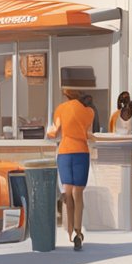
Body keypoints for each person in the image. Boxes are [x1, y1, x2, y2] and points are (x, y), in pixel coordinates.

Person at [46, 88, 94, 251]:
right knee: (78, 193)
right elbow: (88, 134)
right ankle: (78, 232)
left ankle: (69, 231)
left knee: (68, 192)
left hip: (65, 152)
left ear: (67, 97)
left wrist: (49, 132)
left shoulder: (61, 109)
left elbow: (53, 132)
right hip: (81, 152)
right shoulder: (89, 112)